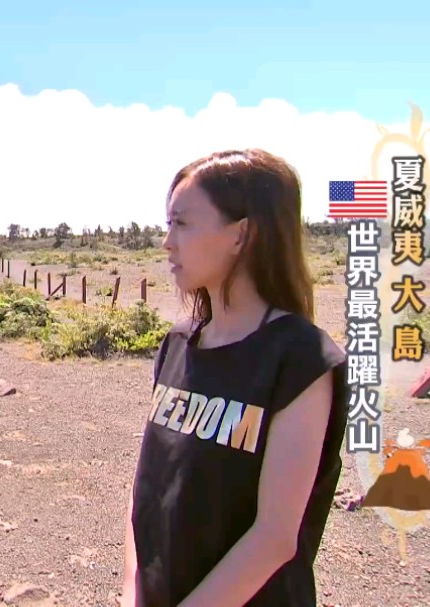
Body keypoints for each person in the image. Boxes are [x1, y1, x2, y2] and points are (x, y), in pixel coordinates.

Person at [120, 149, 349, 607]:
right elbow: (146, 492)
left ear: (242, 234)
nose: (167, 242)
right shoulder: (178, 344)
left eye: (182, 224)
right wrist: (131, 592)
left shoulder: (300, 359)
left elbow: (275, 536)